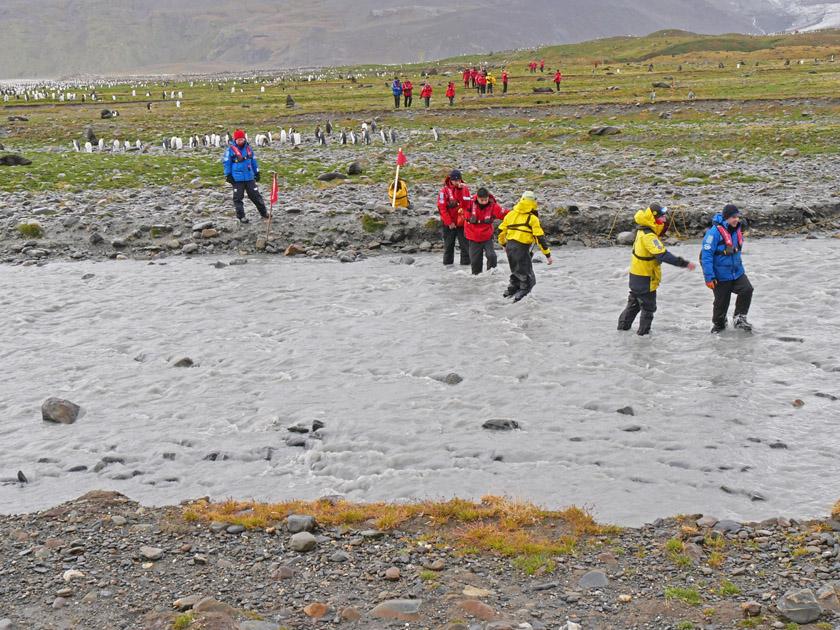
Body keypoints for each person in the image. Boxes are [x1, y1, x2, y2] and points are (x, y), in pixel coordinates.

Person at [617, 203, 695, 335]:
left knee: (633, 306)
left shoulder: (642, 231)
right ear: (654, 218)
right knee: (648, 308)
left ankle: (621, 332)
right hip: (645, 277)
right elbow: (662, 254)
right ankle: (643, 337)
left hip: (636, 275)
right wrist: (684, 263)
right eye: (662, 217)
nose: (665, 220)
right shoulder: (649, 236)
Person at [701, 204, 754, 333]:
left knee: (747, 290)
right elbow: (706, 257)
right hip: (720, 275)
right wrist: (709, 277)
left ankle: (739, 318)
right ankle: (719, 328)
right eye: (732, 217)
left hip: (737, 273)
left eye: (737, 217)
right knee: (720, 307)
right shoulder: (713, 234)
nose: (736, 220)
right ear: (726, 218)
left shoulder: (736, 231)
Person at [498, 190, 553, 301]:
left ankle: (510, 292)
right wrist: (548, 255)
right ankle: (521, 297)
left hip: (509, 247)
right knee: (528, 279)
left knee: (515, 272)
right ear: (532, 203)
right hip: (522, 249)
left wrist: (504, 244)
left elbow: (500, 232)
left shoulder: (511, 214)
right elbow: (540, 238)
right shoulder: (532, 218)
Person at [223, 129, 268, 224]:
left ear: (244, 138)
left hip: (249, 176)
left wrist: (257, 172)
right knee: (238, 198)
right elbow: (227, 163)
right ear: (235, 140)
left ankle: (264, 212)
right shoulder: (231, 149)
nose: (240, 141)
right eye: (238, 139)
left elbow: (253, 161)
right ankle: (241, 216)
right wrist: (228, 175)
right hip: (237, 178)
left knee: (255, 196)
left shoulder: (248, 148)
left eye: (242, 139)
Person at [465, 187, 508, 275]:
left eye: (486, 200)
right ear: (477, 198)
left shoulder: (493, 206)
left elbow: (506, 213)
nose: (484, 202)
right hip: (473, 237)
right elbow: (459, 198)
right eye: (482, 200)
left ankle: (491, 275)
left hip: (487, 237)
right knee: (475, 262)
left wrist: (520, 213)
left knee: (492, 256)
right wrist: (459, 188)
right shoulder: (469, 203)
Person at [437, 169, 471, 266]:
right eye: (455, 180)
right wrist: (449, 222)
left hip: (462, 223)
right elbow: (442, 209)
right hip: (449, 224)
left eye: (459, 180)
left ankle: (466, 268)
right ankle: (447, 267)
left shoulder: (465, 189)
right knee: (448, 247)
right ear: (451, 180)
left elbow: (468, 204)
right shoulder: (444, 192)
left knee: (465, 248)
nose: (457, 182)